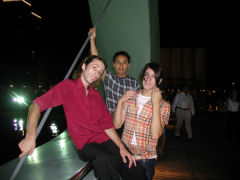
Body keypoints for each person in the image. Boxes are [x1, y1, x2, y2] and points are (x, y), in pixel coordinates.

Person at [18, 55, 147, 180]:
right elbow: (36, 105)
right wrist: (30, 135)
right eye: (94, 67)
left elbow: (107, 126)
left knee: (133, 165)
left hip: (105, 139)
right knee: (103, 159)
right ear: (84, 66)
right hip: (86, 145)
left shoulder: (95, 95)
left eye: (100, 71)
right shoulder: (68, 86)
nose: (97, 73)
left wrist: (122, 148)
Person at [114, 62, 171, 180]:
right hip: (125, 155)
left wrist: (155, 103)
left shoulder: (163, 105)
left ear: (159, 81)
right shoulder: (131, 98)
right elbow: (116, 125)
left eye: (153, 76)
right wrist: (121, 101)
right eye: (146, 74)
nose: (148, 79)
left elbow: (155, 135)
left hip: (145, 160)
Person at [89, 28, 141, 136]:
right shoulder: (109, 78)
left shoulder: (134, 83)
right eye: (118, 62)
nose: (121, 65)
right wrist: (92, 40)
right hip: (111, 125)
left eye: (124, 63)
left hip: (129, 127)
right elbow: (96, 61)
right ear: (113, 64)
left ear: (129, 65)